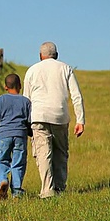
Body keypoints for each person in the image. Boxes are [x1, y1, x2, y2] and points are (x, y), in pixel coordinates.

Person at [23, 41, 85, 199]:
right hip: (60, 116)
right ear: (56, 55)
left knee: (43, 154)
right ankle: (60, 188)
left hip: (38, 116)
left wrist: (25, 122)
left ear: (40, 56)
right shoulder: (65, 68)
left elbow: (26, 99)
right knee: (61, 153)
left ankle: (47, 190)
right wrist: (80, 120)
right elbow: (76, 95)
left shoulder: (32, 70)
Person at [0, 73, 32, 200]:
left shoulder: (1, 99)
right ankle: (17, 191)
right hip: (20, 135)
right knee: (18, 163)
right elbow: (29, 122)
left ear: (5, 87)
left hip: (4, 135)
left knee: (3, 160)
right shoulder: (26, 101)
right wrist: (30, 133)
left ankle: (3, 181)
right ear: (20, 86)